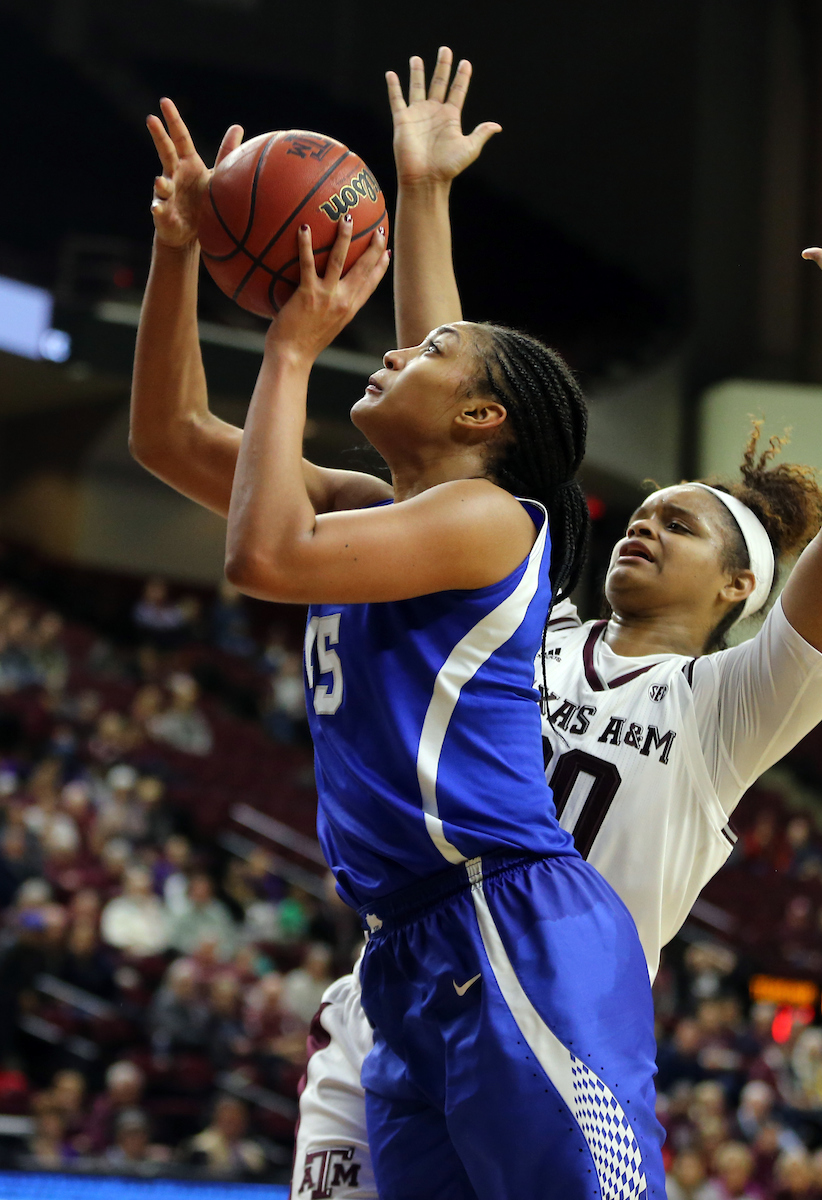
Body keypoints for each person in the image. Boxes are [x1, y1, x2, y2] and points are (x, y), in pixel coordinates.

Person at [286, 44, 822, 1200]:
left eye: (680, 526)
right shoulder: (530, 621)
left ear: (737, 590)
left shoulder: (728, 708)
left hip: (557, 1012)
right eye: (642, 513)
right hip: (413, 989)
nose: (643, 527)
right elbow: (449, 441)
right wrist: (424, 196)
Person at [133, 75, 658, 1200]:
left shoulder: (487, 521)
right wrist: (179, 252)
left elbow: (263, 557)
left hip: (510, 925)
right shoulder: (375, 508)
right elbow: (168, 436)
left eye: (426, 357)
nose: (389, 353)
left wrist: (288, 352)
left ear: (480, 419)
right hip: (408, 949)